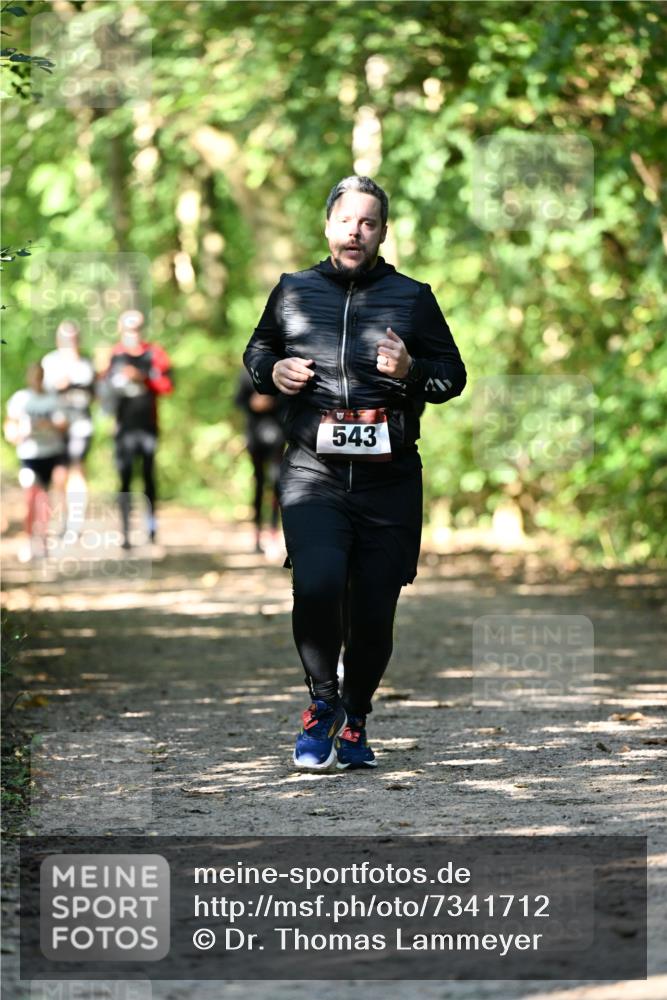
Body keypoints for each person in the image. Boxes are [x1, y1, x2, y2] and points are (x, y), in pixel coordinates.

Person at [243, 175, 466, 772]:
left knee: (373, 610)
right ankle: (321, 704)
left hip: (389, 480)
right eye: (347, 221)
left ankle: (357, 716)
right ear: (328, 225)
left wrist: (414, 368)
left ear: (382, 233)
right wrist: (275, 369)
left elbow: (453, 377)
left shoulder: (413, 297)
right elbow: (257, 351)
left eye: (368, 223)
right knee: (316, 584)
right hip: (313, 471)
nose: (356, 232)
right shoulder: (292, 291)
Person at [99, 310, 173, 548]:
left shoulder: (154, 353)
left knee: (149, 478)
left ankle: (151, 528)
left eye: (136, 327)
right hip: (124, 429)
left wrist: (143, 377)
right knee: (125, 479)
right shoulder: (115, 355)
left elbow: (168, 385)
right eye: (128, 328)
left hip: (148, 427)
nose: (133, 332)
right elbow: (104, 391)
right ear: (121, 329)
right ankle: (125, 532)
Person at [4, 363, 69, 561]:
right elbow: (10, 423)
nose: (37, 379)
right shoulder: (21, 399)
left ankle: (43, 540)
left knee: (45, 500)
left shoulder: (53, 399)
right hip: (30, 455)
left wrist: (48, 424)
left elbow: (64, 424)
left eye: (40, 376)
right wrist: (13, 434)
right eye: (34, 376)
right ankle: (28, 539)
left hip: (52, 453)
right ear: (29, 377)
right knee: (32, 496)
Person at [40, 320, 96, 538]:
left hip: (81, 425)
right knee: (60, 474)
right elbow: (43, 394)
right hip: (56, 426)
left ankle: (75, 522)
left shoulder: (85, 363)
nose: (69, 343)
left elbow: (93, 393)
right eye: (65, 339)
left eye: (73, 339)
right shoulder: (50, 362)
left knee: (77, 469)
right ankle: (62, 519)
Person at [234, 368, 286, 554]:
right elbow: (238, 400)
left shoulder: (281, 368)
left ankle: (273, 532)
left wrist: (273, 403)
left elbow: (290, 400)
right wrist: (253, 404)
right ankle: (256, 534)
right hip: (254, 436)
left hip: (277, 434)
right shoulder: (245, 373)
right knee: (259, 484)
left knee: (277, 483)